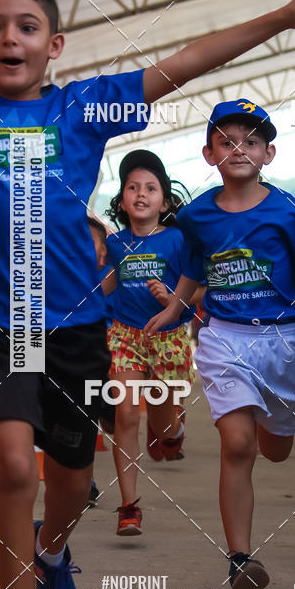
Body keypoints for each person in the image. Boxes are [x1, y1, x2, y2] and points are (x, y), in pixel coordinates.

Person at [0, 0, 295, 589]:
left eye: (26, 27)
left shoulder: (85, 107)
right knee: (14, 465)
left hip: (74, 325)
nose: (9, 39)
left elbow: (184, 63)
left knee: (70, 478)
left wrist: (281, 18)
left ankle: (53, 552)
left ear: (54, 44)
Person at [145, 99, 295, 589]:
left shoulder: (288, 211)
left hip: (284, 343)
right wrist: (175, 309)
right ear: (209, 153)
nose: (238, 149)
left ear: (268, 153)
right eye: (226, 141)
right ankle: (240, 560)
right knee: (237, 444)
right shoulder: (197, 215)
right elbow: (194, 268)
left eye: (251, 141)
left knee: (275, 448)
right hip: (224, 337)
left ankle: (273, 428)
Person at [102, 150, 197, 535]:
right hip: (125, 336)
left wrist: (172, 300)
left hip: (168, 338)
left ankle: (173, 432)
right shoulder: (114, 244)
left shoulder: (178, 240)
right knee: (125, 415)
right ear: (122, 200)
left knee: (163, 425)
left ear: (165, 202)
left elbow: (198, 292)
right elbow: (103, 288)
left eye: (151, 188)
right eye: (132, 187)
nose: (141, 194)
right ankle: (129, 507)